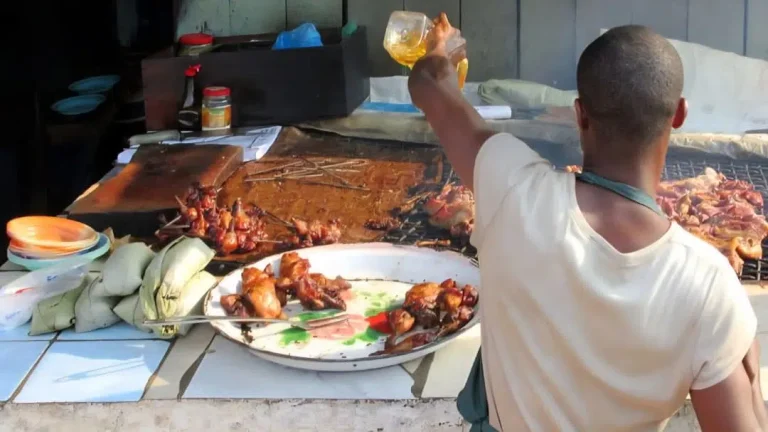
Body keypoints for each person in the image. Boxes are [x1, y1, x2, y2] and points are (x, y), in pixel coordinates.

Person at [409, 16, 768, 431]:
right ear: (679, 115)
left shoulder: (511, 188)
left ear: (579, 114)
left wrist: (443, 48)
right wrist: (745, 355)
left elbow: (428, 84)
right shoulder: (709, 286)